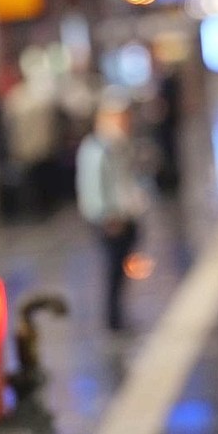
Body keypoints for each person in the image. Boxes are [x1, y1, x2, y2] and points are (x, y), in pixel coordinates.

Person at [76, 94, 144, 330]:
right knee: (113, 271)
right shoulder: (97, 148)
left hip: (125, 214)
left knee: (123, 268)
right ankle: (113, 319)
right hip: (111, 219)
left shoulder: (119, 145)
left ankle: (118, 315)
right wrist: (107, 216)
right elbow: (93, 187)